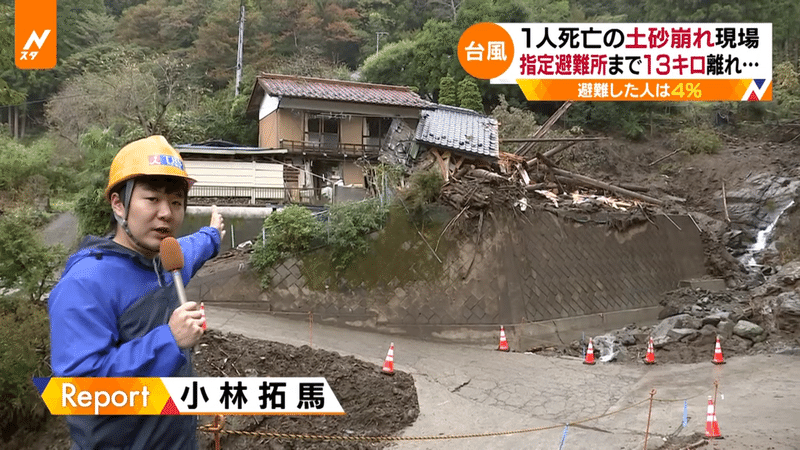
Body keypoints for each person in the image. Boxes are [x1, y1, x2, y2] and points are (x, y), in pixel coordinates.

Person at [48, 135, 226, 450]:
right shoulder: (85, 284)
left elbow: (197, 245)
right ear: (119, 203)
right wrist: (169, 341)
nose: (167, 213)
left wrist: (213, 233)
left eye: (176, 201)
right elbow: (81, 392)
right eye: (152, 199)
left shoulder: (169, 260)